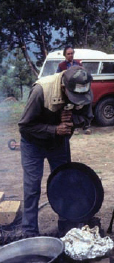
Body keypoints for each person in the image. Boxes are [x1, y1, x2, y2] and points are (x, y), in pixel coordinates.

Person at [18, 66, 94, 237]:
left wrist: (73, 119)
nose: (78, 101)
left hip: (58, 144)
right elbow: (24, 126)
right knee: (32, 187)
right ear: (62, 87)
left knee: (64, 183)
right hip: (33, 144)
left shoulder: (84, 88)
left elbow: (87, 118)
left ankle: (66, 226)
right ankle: (29, 232)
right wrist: (54, 129)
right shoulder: (41, 91)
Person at [56, 46, 91, 135]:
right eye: (68, 54)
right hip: (69, 91)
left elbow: (84, 75)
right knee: (71, 108)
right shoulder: (61, 65)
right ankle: (75, 127)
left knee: (84, 107)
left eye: (72, 53)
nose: (70, 55)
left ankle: (86, 126)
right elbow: (58, 77)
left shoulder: (78, 64)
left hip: (79, 90)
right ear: (65, 55)